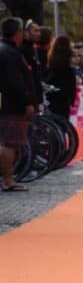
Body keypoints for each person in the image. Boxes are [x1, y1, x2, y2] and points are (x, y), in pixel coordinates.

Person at [0, 17, 35, 191]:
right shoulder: (11, 54)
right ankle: (7, 179)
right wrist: (27, 103)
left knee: (7, 142)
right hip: (11, 106)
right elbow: (16, 83)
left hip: (5, 103)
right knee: (10, 143)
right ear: (18, 33)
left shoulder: (5, 50)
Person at [45, 36, 77, 120]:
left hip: (52, 98)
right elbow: (70, 84)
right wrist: (72, 100)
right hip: (63, 99)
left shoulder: (51, 62)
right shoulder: (67, 66)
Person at [20, 19, 43, 107]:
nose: (39, 34)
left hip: (35, 98)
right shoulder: (22, 49)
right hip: (28, 102)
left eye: (39, 31)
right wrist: (28, 102)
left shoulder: (32, 48)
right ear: (26, 32)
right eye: (36, 31)